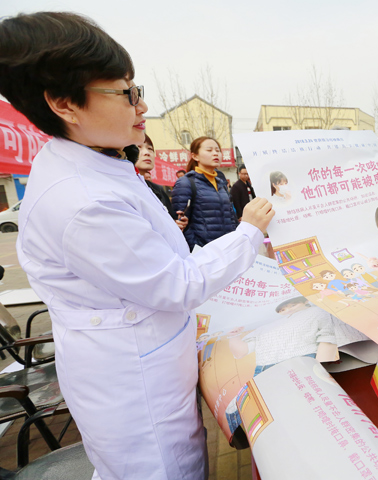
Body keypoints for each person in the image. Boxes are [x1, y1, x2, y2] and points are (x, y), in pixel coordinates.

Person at [0, 12, 275, 480]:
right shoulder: (81, 201)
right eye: (125, 92)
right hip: (133, 385)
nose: (141, 105)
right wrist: (249, 232)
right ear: (64, 103)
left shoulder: (94, 163)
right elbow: (177, 283)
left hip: (149, 354)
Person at [172, 136, 238, 250]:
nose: (215, 153)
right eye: (209, 150)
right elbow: (181, 224)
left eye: (218, 150)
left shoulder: (221, 183)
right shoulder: (186, 183)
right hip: (204, 252)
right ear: (195, 156)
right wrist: (195, 247)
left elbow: (231, 217)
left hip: (227, 248)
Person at [136, 133, 187, 229]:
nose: (147, 153)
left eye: (150, 149)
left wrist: (177, 225)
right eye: (139, 147)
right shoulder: (122, 187)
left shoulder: (157, 189)